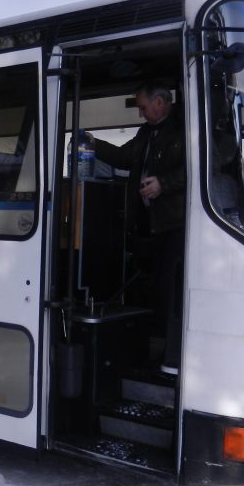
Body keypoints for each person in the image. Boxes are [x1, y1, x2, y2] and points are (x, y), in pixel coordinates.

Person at [91, 82, 186, 373]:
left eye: (144, 107)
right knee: (154, 287)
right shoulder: (146, 133)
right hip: (149, 225)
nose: (141, 114)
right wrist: (94, 145)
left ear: (161, 102)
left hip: (176, 223)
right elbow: (124, 157)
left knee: (172, 290)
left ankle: (173, 356)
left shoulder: (186, 127)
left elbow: (204, 165)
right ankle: (151, 348)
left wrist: (164, 184)